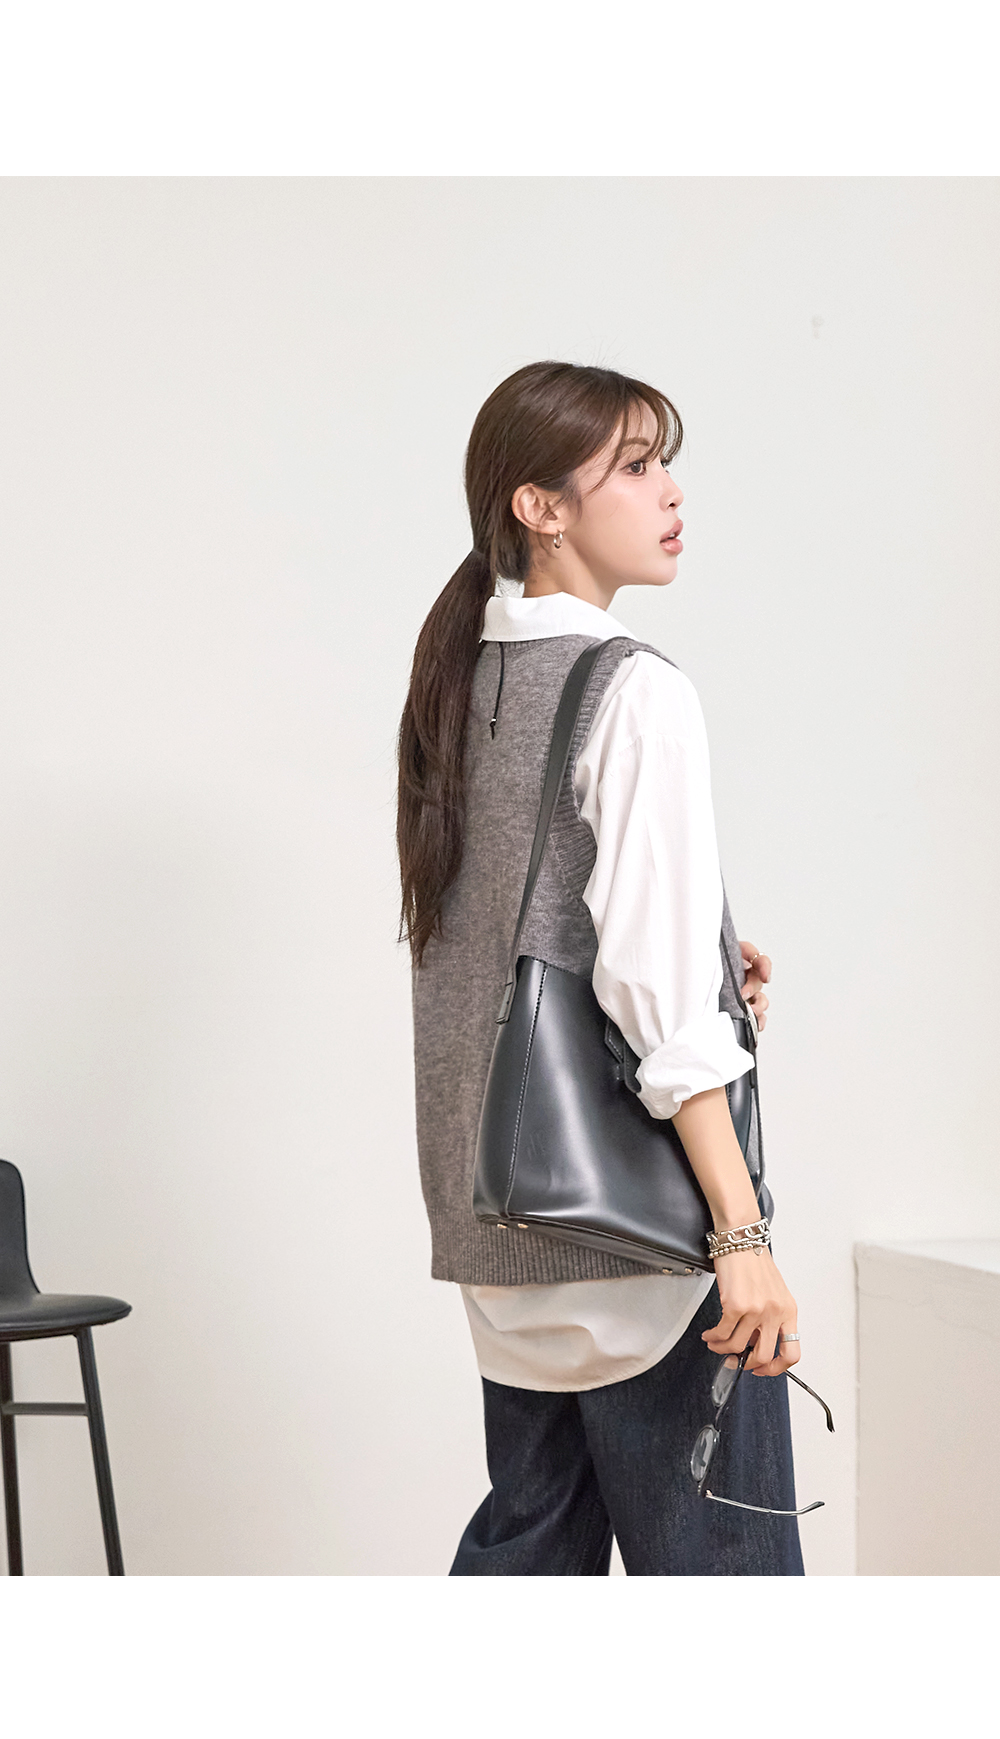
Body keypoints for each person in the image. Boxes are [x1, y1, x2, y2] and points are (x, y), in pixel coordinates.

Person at [397, 360, 806, 1575]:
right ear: (540, 506)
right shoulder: (633, 690)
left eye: (663, 460)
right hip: (640, 1254)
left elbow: (505, 937)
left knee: (530, 1578)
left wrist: (705, 953)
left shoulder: (454, 682)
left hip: (505, 1232)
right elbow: (658, 1010)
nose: (669, 489)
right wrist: (742, 1236)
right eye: (632, 465)